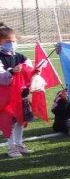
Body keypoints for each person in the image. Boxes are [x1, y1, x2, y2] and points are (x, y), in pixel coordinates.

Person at [0, 27, 31, 157]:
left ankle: (19, 143)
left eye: (13, 40)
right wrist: (12, 71)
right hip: (7, 97)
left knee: (20, 120)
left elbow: (29, 68)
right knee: (10, 121)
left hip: (21, 95)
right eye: (7, 41)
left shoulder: (21, 57)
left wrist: (34, 71)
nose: (11, 43)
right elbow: (1, 77)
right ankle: (11, 147)